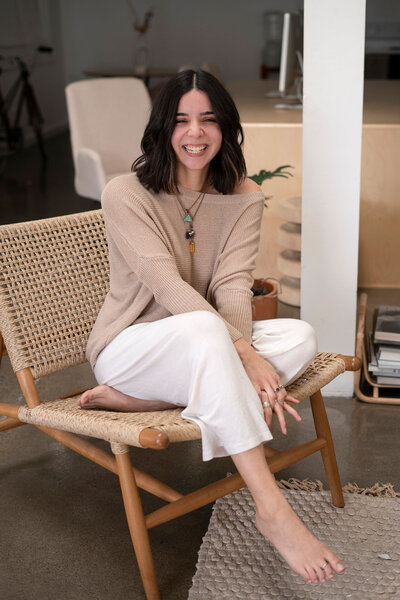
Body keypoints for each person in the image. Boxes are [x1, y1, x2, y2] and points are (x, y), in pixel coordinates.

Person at [79, 69, 345, 585]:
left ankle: (148, 401)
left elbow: (232, 283)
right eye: (181, 121)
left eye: (208, 120)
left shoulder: (243, 195)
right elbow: (165, 284)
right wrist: (247, 353)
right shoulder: (124, 193)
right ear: (162, 129)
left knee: (300, 335)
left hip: (202, 347)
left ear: (226, 127)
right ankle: (272, 508)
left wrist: (243, 346)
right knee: (208, 332)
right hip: (131, 345)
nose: (195, 133)